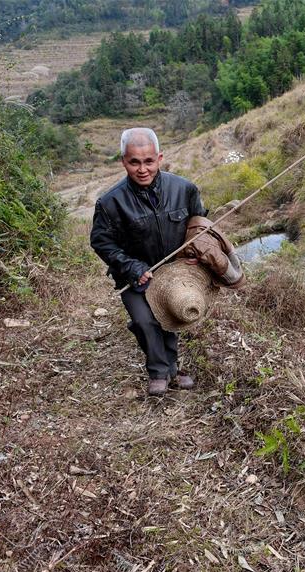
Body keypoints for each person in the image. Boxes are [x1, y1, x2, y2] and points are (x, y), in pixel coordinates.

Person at [90, 127, 206, 396]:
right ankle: (158, 371)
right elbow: (101, 241)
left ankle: (171, 369)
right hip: (134, 277)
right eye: (134, 162)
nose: (142, 169)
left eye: (148, 161)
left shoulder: (185, 189)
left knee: (169, 318)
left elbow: (199, 225)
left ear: (159, 158)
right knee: (144, 321)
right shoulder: (110, 203)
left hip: (173, 275)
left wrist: (196, 255)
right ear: (124, 162)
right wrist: (131, 267)